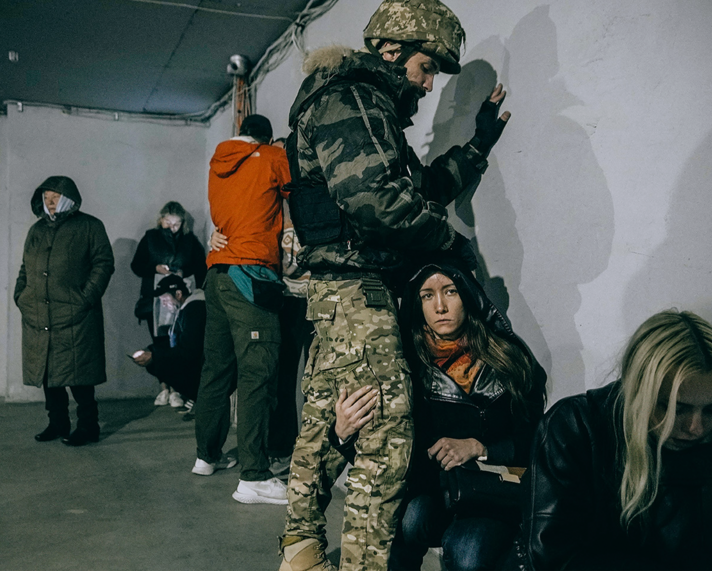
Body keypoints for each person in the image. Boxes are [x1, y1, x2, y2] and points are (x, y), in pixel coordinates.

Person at [280, 1, 512, 569]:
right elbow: (379, 203)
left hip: (340, 298)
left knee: (325, 427)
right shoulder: (355, 98)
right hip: (360, 297)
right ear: (391, 51)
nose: (430, 84)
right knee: (383, 446)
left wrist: (477, 146)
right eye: (426, 68)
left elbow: (420, 184)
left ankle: (301, 550)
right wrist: (449, 244)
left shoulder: (361, 104)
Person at [332, 258, 546, 570]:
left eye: (450, 292)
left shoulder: (508, 357)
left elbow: (536, 441)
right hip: (429, 487)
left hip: (491, 492)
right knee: (407, 520)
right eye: (427, 296)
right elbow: (381, 453)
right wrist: (343, 432)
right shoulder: (401, 366)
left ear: (468, 295)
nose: (440, 307)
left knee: (467, 550)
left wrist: (481, 448)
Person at [515, 309, 712, 570]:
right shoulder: (575, 428)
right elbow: (554, 557)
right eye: (675, 408)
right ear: (638, 389)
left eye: (710, 410)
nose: (696, 428)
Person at [193, 114, 292, 506]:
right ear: (266, 138)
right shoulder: (270, 157)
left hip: (216, 274)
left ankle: (208, 455)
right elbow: (298, 189)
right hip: (249, 275)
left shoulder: (219, 163)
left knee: (216, 370)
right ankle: (254, 475)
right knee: (258, 373)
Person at [14, 176, 114, 446]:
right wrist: (21, 296)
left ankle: (88, 427)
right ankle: (57, 423)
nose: (49, 202)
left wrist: (85, 298)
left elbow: (103, 264)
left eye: (55, 197)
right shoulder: (36, 230)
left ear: (68, 197)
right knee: (50, 374)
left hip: (76, 315)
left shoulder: (90, 226)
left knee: (79, 375)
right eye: (46, 198)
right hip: (39, 314)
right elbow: (25, 267)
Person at [130, 201, 206, 408]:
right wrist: (155, 268)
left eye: (176, 223)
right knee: (159, 340)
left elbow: (201, 266)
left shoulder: (189, 241)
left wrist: (183, 273)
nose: (172, 227)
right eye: (168, 222)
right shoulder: (151, 238)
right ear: (160, 220)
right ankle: (165, 388)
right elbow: (136, 265)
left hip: (182, 301)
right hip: (155, 300)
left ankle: (178, 390)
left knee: (179, 343)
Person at [131, 274, 205, 416]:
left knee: (158, 363)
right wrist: (151, 350)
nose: (164, 304)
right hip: (196, 360)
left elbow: (190, 349)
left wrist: (155, 355)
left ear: (178, 294)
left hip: (202, 365)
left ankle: (198, 396)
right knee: (155, 360)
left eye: (165, 299)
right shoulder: (187, 308)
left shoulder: (194, 309)